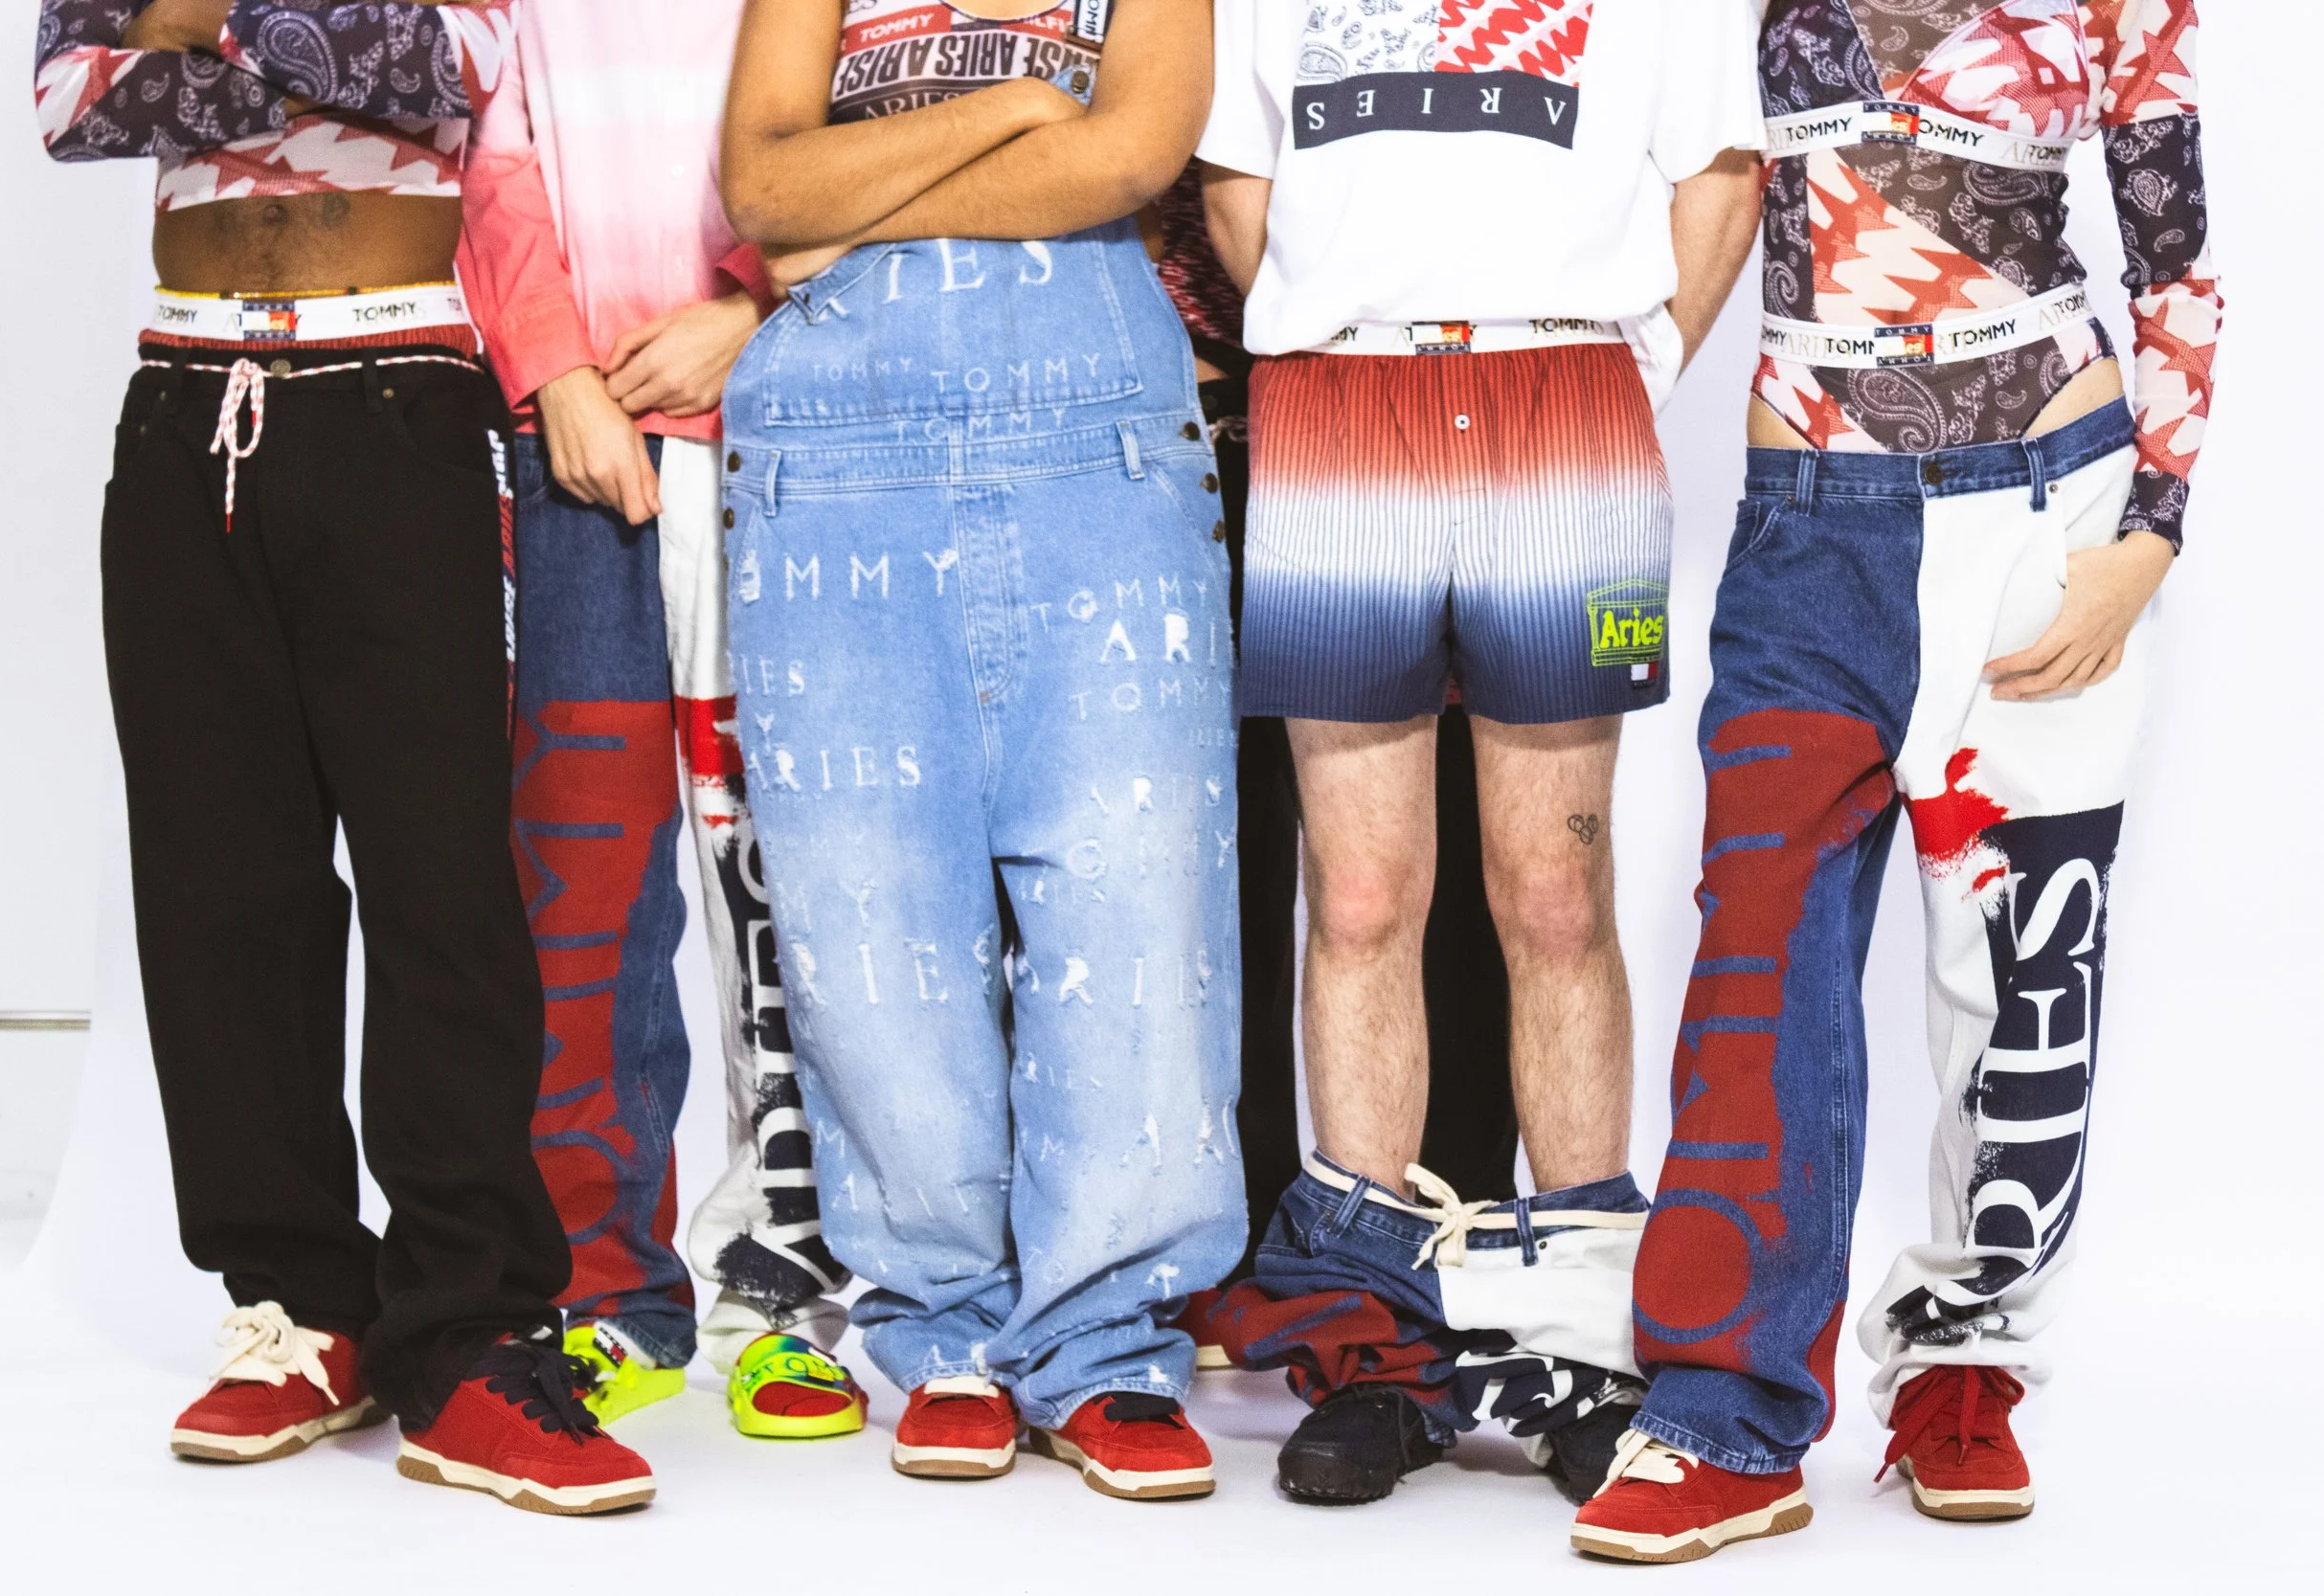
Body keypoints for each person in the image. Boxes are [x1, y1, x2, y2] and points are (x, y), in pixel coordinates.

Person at [1573, 0, 2220, 1563]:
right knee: (1759, 961)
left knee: (2018, 967)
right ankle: (1726, 1411)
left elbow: (2176, 253)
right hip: (1808, 531)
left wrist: (2149, 534)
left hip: (2052, 518)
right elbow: (1658, 195)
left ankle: (1966, 1364)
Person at [35, 0, 652, 1514]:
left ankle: (474, 1330)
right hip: (182, 404)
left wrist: (200, 20)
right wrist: (285, 35)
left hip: (398, 403)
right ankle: (304, 1302)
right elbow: (68, 102)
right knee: (216, 887)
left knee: (441, 883)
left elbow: (442, 73)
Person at [1199, 0, 1766, 1507]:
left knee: (1557, 900)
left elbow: (1720, 172)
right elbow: (1238, 188)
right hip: (1338, 395)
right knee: (1366, 894)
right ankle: (1373, 1348)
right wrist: (1347, 327)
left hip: (1564, 391)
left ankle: (1581, 1350)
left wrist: (1631, 374)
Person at [717, 0, 1241, 1500]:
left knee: (1133, 899)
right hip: (834, 454)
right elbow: (758, 191)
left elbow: (1132, 154)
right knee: (868, 910)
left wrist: (861, 199)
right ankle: (939, 1328)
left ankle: (1110, 1338)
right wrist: (1017, 103)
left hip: (1101, 446)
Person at [456, 0, 867, 1440]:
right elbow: (485, 151)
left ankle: (791, 1289)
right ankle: (604, 1286)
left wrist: (760, 315)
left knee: (783, 880)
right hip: (575, 442)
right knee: (583, 891)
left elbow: (873, 131)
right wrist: (552, 367)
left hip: (790, 430)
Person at [1146, 169, 1524, 1368]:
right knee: (1231, 846)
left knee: (1454, 840)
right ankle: (1242, 1238)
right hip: (1198, 409)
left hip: (1429, 402)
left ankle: (1451, 1214)